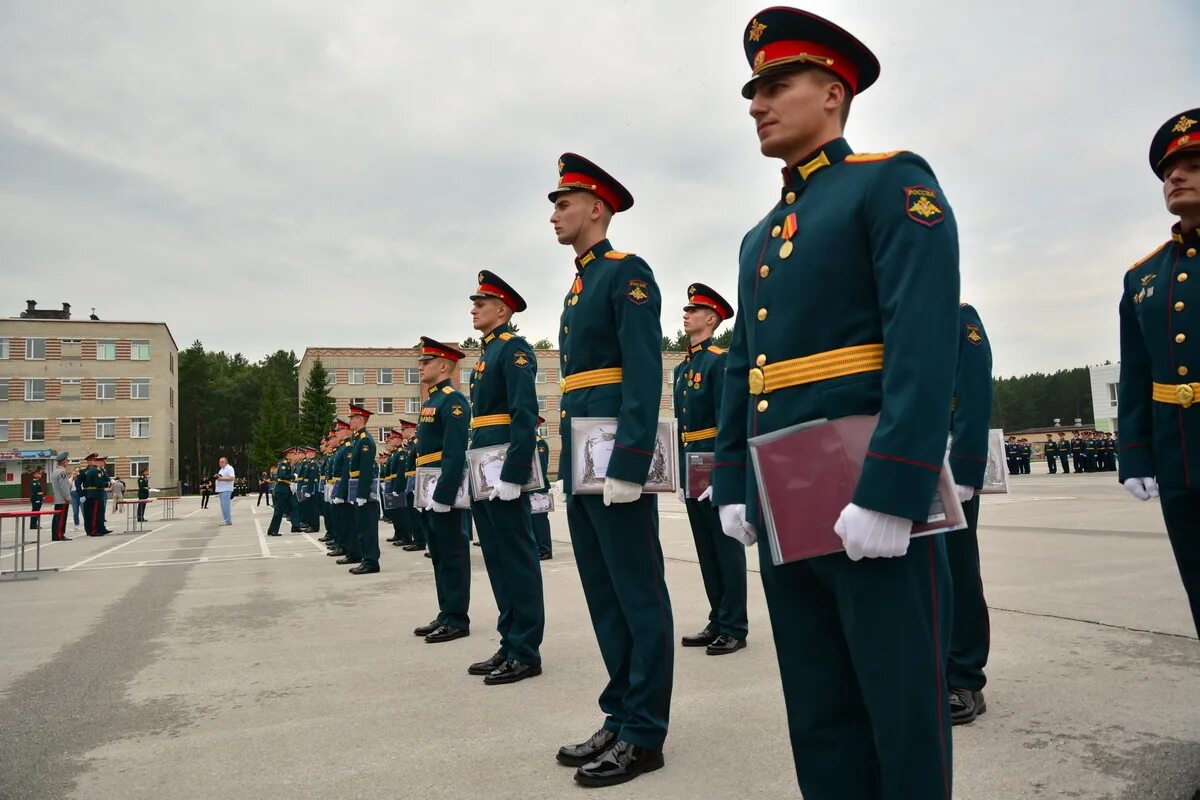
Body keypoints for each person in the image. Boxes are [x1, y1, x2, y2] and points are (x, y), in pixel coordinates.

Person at [712, 8, 958, 797]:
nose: (757, 104)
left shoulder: (890, 183)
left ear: (833, 92)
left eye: (776, 86)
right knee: (818, 706)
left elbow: (921, 343)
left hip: (865, 490)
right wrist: (733, 481)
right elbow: (743, 372)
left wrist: (895, 488)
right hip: (786, 495)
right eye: (753, 92)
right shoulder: (758, 237)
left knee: (899, 704)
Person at [549, 152, 672, 788]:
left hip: (611, 454)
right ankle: (621, 710)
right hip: (581, 452)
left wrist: (631, 461)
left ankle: (645, 731)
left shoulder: (627, 273)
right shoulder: (578, 284)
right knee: (603, 591)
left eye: (563, 203)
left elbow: (643, 371)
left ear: (597, 207)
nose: (554, 214)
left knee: (637, 590)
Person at [1118, 106, 1200, 638]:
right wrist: (1135, 452)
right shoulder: (1144, 276)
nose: (1175, 175)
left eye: (1194, 162)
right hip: (1182, 463)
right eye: (1169, 168)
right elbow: (1136, 371)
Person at [464, 270, 546, 685]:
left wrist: (515, 471)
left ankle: (526, 649)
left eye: (482, 303)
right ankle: (510, 640)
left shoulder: (514, 349)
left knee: (516, 555)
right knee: (496, 556)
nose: (474, 308)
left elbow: (524, 414)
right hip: (483, 460)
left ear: (503, 308)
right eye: (474, 303)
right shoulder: (486, 354)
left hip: (502, 465)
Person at [673, 283, 749, 656]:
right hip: (691, 463)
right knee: (706, 547)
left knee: (726, 547)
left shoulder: (720, 360)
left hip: (714, 461)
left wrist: (726, 473)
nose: (685, 314)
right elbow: (680, 423)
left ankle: (735, 625)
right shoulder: (684, 366)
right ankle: (718, 618)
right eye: (686, 309)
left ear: (711, 318)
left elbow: (730, 421)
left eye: (693, 309)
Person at [947, 303, 994, 725]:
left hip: (944, 459)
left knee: (956, 567)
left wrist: (964, 465)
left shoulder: (958, 315)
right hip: (892, 456)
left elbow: (975, 389)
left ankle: (964, 677)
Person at [411, 337, 473, 641]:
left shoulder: (453, 400)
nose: (421, 366)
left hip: (443, 486)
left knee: (453, 553)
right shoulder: (431, 400)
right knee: (438, 553)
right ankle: (446, 612)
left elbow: (454, 452)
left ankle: (458, 619)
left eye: (427, 361)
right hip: (428, 483)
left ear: (444, 365)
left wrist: (445, 493)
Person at [347, 404, 382, 575]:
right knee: (361, 526)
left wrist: (362, 494)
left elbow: (366, 470)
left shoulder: (365, 440)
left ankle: (371, 561)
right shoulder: (358, 439)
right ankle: (366, 559)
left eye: (352, 418)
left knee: (367, 527)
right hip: (358, 487)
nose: (350, 421)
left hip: (364, 491)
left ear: (361, 419)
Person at [530, 416, 553, 560]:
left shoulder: (539, 444)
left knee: (539, 521)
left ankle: (545, 550)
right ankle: (537, 548)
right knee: (532, 521)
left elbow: (541, 467)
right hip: (531, 488)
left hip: (539, 488)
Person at [49, 452, 73, 541]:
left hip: (58, 499)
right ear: (63, 461)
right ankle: (59, 535)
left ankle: (56, 535)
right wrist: (68, 497)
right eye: (67, 460)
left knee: (57, 518)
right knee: (61, 518)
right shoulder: (62, 472)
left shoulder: (55, 472)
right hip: (62, 499)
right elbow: (64, 487)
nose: (68, 462)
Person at [214, 457, 235, 525]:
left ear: (226, 462)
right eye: (219, 461)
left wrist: (221, 478)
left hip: (226, 489)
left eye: (222, 462)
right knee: (223, 506)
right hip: (221, 490)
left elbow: (232, 478)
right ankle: (226, 520)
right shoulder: (222, 469)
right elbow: (221, 477)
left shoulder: (229, 468)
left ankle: (228, 521)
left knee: (226, 506)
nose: (220, 463)